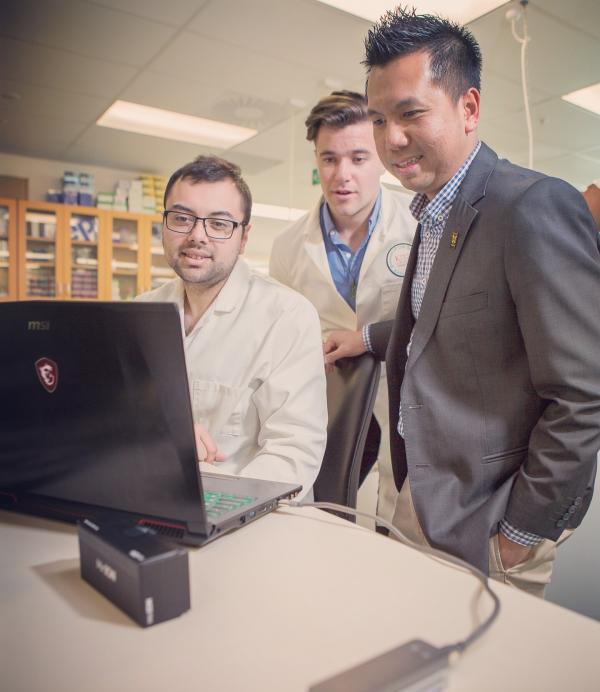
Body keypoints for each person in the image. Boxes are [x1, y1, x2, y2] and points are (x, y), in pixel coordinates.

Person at [323, 8, 600, 596]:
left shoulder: (531, 207)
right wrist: (367, 338)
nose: (391, 139)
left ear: (468, 108)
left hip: (486, 519)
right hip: (419, 497)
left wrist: (519, 531)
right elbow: (442, 312)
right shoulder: (434, 209)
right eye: (378, 119)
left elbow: (584, 394)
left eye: (411, 114)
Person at [137, 155, 327, 500]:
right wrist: (162, 433)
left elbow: (293, 454)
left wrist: (217, 504)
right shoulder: (139, 312)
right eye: (181, 219)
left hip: (253, 519)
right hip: (152, 498)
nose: (197, 236)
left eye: (219, 224)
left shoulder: (287, 316)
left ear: (243, 238)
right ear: (163, 225)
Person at [270, 90, 415, 523]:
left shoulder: (419, 223)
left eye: (358, 157)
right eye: (329, 158)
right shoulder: (288, 246)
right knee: (322, 505)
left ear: (382, 156)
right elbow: (282, 333)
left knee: (401, 511)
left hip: (401, 391)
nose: (342, 174)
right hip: (329, 394)